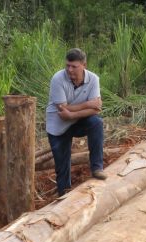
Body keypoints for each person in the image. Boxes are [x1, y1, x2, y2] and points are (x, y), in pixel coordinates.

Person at [46, 48, 106, 197]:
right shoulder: (58, 79)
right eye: (67, 65)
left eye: (74, 66)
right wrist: (87, 105)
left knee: (96, 123)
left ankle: (97, 168)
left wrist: (73, 113)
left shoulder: (93, 79)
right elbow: (63, 111)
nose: (69, 70)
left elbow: (96, 109)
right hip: (58, 127)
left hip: (78, 122)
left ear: (84, 65)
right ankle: (64, 196)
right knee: (62, 167)